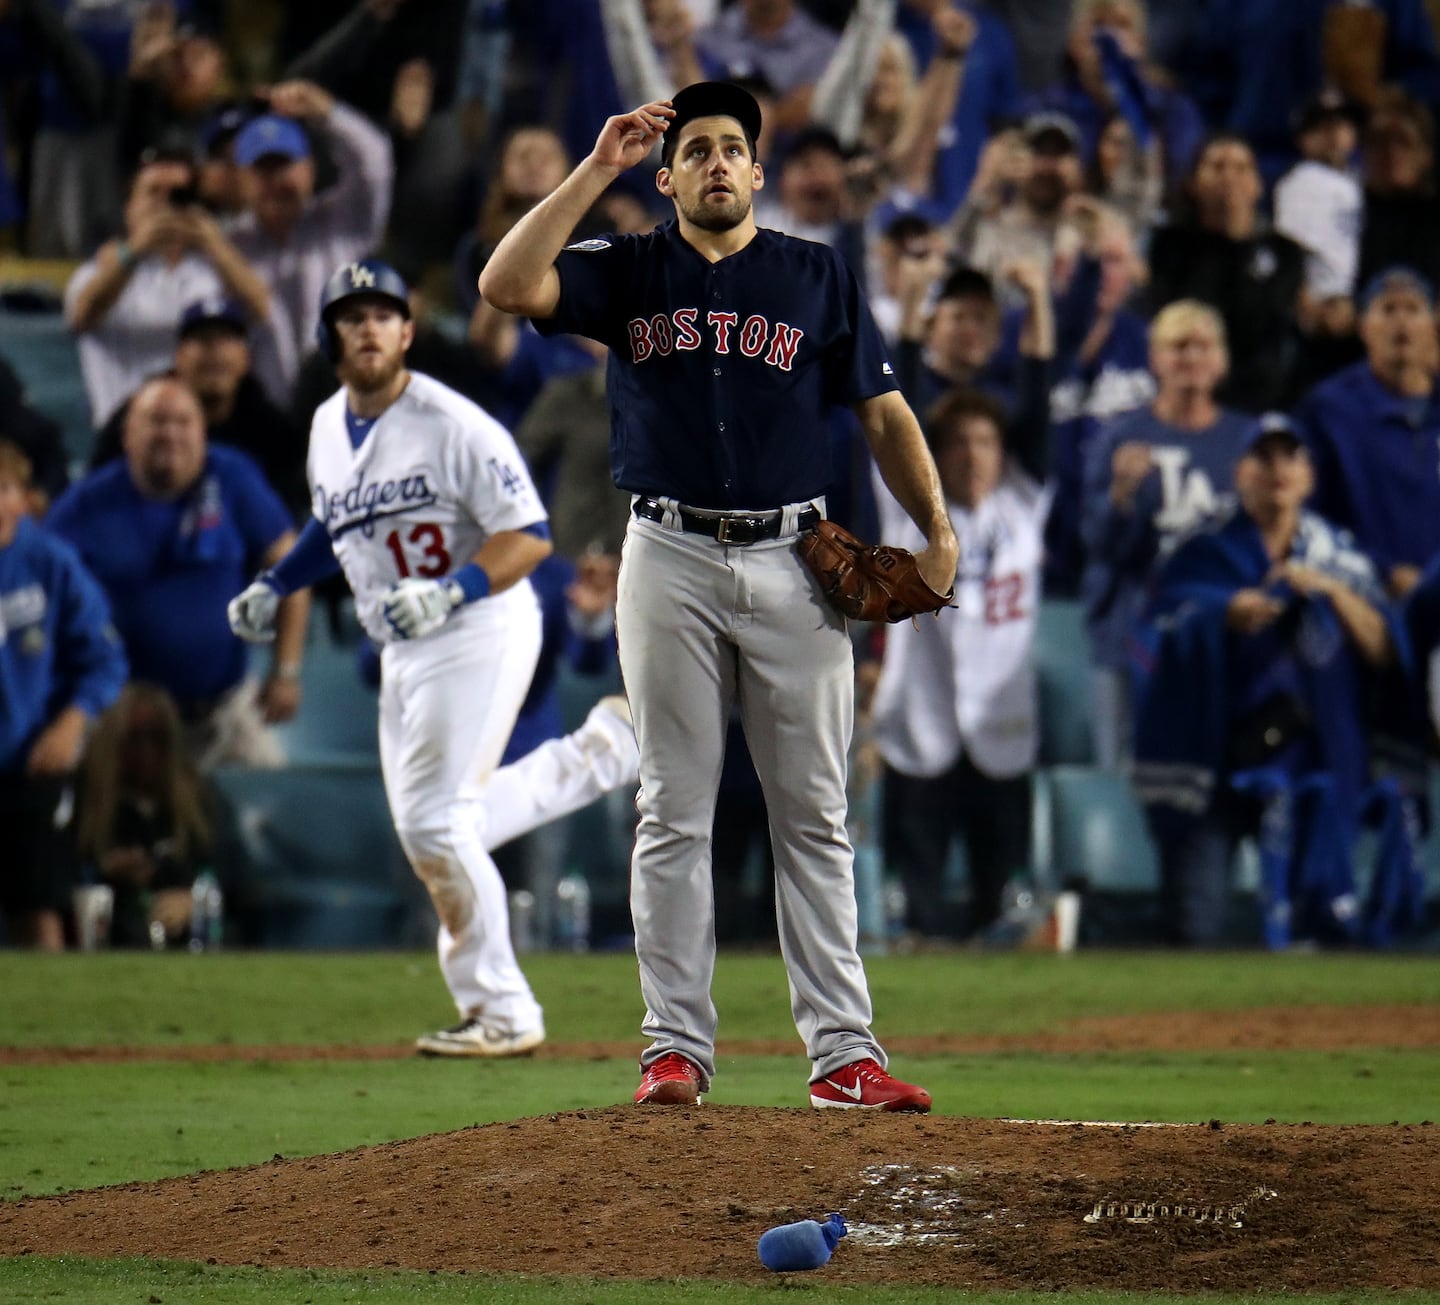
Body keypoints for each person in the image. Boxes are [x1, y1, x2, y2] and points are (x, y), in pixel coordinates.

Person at [478, 82, 959, 1110]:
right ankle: (675, 1051)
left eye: (732, 147)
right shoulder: (629, 267)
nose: (714, 163)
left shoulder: (816, 274)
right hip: (668, 554)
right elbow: (507, 284)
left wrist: (938, 526)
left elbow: (881, 409)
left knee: (816, 817)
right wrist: (595, 167)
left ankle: (843, 1058)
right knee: (672, 811)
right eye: (694, 149)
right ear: (668, 176)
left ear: (757, 172)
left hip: (799, 557)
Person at [228, 259, 640, 1057]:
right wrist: (278, 580)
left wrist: (453, 589)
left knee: (435, 822)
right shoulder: (324, 427)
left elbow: (529, 535)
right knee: (438, 828)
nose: (371, 327)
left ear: (408, 329)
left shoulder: (455, 423)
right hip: (405, 642)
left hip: (480, 621)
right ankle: (607, 750)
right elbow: (336, 522)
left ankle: (504, 1009)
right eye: (354, 316)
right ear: (330, 337)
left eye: (385, 312)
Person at [1131, 415, 1395, 947]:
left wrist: (1331, 592)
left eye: (1289, 457)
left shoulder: (1336, 555)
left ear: (1309, 476)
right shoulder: (1200, 550)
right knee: (1194, 925)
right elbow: (1154, 631)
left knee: (1316, 933)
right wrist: (1224, 612)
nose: (1277, 470)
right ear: (1239, 472)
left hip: (1311, 763)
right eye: (1263, 458)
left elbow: (1385, 648)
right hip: (1214, 759)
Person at [47, 375, 307, 770]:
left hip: (222, 709)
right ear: (127, 435)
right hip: (121, 718)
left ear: (203, 434)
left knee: (281, 803)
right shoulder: (88, 504)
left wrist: (285, 670)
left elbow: (292, 569)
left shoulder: (232, 478)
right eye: (156, 421)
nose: (170, 434)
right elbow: (37, 581)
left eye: (183, 422)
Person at [871, 387, 1050, 939]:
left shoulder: (1023, 502)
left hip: (1002, 729)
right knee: (919, 908)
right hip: (921, 726)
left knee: (996, 910)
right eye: (957, 443)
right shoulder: (907, 512)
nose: (972, 455)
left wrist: (1040, 314)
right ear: (935, 455)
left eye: (986, 442)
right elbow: (892, 418)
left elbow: (1039, 412)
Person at [1081, 300, 1253, 768]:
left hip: (1223, 645)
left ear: (1222, 360)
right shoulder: (1120, 437)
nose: (1191, 358)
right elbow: (1096, 545)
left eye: (1203, 346)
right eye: (1178, 346)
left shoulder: (1248, 441)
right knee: (1122, 786)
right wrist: (1120, 495)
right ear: (1155, 358)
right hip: (1130, 638)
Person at [0, 439, 127, 950]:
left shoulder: (50, 563)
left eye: (3, 488)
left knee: (39, 907)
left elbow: (104, 660)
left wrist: (71, 724)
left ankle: (48, 1028)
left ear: (24, 499)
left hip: (32, 767)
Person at [65, 147, 272, 428]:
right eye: (153, 192)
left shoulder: (214, 274)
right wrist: (134, 251)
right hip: (123, 433)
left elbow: (261, 312)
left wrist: (214, 244)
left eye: (177, 194)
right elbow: (81, 315)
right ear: (129, 207)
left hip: (207, 433)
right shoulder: (100, 271)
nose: (165, 204)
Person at [228, 81, 395, 403]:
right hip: (263, 411)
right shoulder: (230, 246)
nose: (276, 182)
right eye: (264, 170)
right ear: (242, 181)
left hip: (343, 398)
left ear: (310, 170)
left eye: (285, 166)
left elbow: (375, 162)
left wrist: (327, 112)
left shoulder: (342, 224)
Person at [1293, 267, 1440, 599]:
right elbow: (1304, 520)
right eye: (1387, 309)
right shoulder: (1328, 409)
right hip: (1362, 600)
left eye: (1413, 310)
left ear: (1433, 326)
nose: (1401, 323)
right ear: (1363, 327)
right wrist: (1383, 571)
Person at [89, 297, 310, 518]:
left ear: (245, 357)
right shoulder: (143, 415)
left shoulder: (271, 428)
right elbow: (96, 490)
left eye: (226, 339)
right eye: (202, 340)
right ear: (179, 356)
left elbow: (293, 507)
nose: (214, 351)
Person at [1145, 135, 1305, 413]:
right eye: (1217, 167)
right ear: (1193, 182)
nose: (1229, 177)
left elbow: (1265, 323)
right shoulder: (1168, 246)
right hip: (1183, 392)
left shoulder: (1285, 252)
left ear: (1258, 185)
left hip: (1260, 398)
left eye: (1241, 168)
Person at [74, 682, 223, 949]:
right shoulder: (83, 798)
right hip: (110, 932)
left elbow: (222, 873)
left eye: (157, 737)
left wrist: (192, 899)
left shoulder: (196, 802)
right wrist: (105, 872)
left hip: (183, 933)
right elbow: (61, 876)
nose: (145, 750)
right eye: (134, 737)